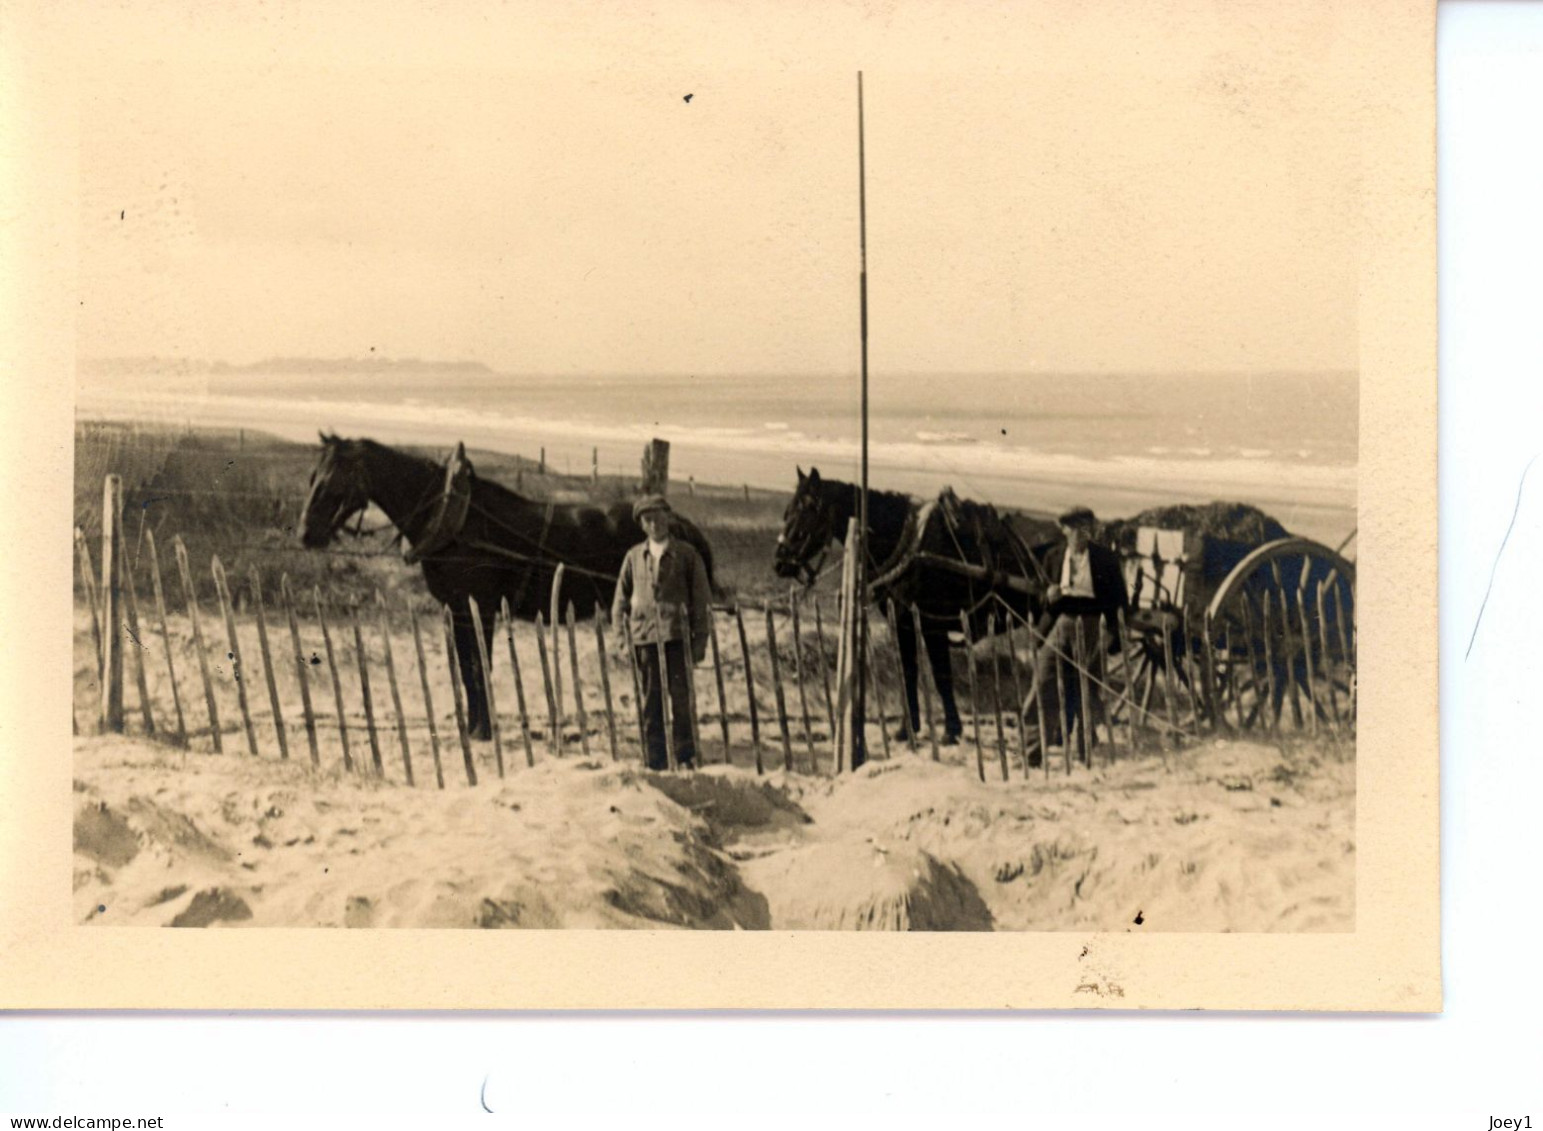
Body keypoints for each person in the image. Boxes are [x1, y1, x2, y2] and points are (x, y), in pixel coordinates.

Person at [611, 494, 713, 770]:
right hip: (645, 639)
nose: (654, 523)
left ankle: (685, 757)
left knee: (681, 701)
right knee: (650, 703)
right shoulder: (633, 557)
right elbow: (620, 601)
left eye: (658, 516)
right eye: (647, 519)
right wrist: (622, 641)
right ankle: (654, 760)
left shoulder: (687, 555)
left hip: (676, 638)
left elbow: (702, 602)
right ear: (642, 525)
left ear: (668, 517)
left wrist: (700, 642)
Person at [1024, 506, 1128, 764]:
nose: (1080, 534)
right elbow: (1038, 597)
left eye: (1085, 528)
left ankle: (1085, 752)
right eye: (1074, 529)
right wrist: (1047, 597)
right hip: (1062, 622)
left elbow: (1121, 602)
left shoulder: (1106, 559)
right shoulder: (1053, 556)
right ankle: (1033, 752)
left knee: (1086, 689)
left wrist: (1113, 634)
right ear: (1064, 530)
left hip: (1093, 624)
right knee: (1043, 683)